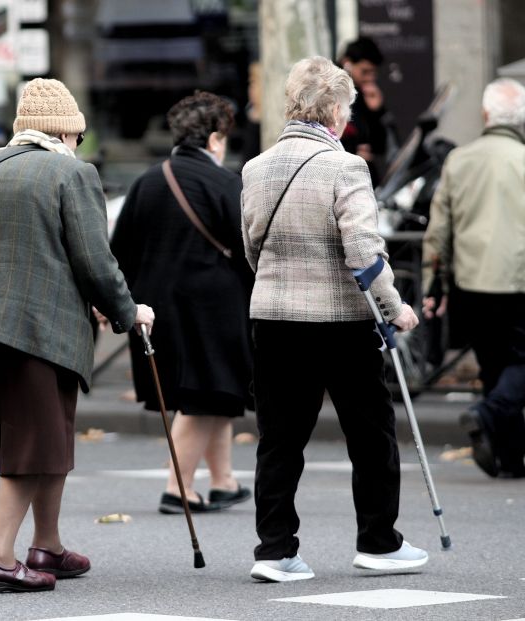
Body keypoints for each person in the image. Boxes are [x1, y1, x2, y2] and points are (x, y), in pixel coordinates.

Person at [0, 78, 154, 593]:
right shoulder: (71, 172)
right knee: (31, 447)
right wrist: (128, 311)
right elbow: (95, 260)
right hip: (43, 331)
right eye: (78, 137)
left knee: (47, 439)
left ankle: (48, 544)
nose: (78, 146)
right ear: (65, 132)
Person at [240, 56, 427, 583]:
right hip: (342, 319)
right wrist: (396, 307)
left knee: (279, 439)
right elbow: (364, 251)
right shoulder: (345, 166)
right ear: (335, 112)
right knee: (370, 434)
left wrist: (278, 281)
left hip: (274, 317)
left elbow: (252, 247)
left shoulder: (256, 167)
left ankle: (274, 550)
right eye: (345, 109)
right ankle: (378, 541)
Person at [110, 91, 253, 515]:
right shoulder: (228, 183)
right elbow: (248, 250)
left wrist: (115, 304)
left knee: (216, 393)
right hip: (213, 310)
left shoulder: (147, 181)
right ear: (213, 139)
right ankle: (179, 488)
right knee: (205, 397)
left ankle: (224, 481)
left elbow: (120, 251)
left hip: (155, 311)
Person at [422, 78, 525, 479]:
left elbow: (438, 230)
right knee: (518, 363)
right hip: (517, 280)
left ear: (485, 115)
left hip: (470, 283)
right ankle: (488, 413)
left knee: (494, 365)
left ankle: (510, 456)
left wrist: (437, 280)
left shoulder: (459, 159)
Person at [338, 37, 391, 185]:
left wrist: (376, 111)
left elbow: (380, 146)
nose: (370, 78)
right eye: (365, 71)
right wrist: (354, 151)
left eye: (373, 73)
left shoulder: (365, 95)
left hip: (364, 179)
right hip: (340, 178)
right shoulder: (330, 93)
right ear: (347, 63)